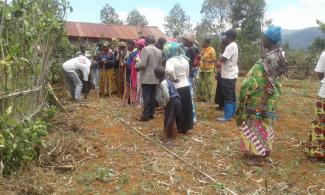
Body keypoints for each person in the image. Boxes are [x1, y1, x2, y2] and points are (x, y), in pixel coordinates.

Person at [235, 26, 286, 165]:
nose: (262, 40)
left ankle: (259, 156)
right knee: (264, 121)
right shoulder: (277, 54)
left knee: (259, 122)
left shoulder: (271, 58)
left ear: (270, 39)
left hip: (262, 98)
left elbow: (270, 82)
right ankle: (264, 150)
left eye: (264, 37)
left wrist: (263, 103)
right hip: (264, 97)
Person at [164, 41, 193, 133]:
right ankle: (186, 128)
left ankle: (178, 127)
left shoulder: (170, 60)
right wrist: (184, 79)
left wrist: (174, 79)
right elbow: (187, 73)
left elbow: (169, 71)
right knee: (186, 108)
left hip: (176, 87)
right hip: (186, 85)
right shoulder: (185, 59)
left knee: (177, 109)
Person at [137, 35, 163, 121]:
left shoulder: (145, 49)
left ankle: (145, 115)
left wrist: (137, 64)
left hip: (147, 77)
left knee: (146, 96)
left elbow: (143, 64)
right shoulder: (159, 51)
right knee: (152, 96)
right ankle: (151, 114)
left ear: (146, 42)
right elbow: (159, 65)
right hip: (156, 77)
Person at [305, 51, 325, 161]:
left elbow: (320, 73)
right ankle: (314, 152)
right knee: (318, 123)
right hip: (324, 95)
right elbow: (320, 74)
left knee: (318, 124)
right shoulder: (324, 55)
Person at [154, 66, 181, 146]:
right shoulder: (168, 80)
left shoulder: (163, 83)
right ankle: (168, 136)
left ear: (157, 75)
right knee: (170, 119)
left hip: (171, 101)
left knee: (171, 121)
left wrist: (165, 104)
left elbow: (167, 95)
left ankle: (174, 140)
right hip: (176, 100)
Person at [217, 30, 239, 121]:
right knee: (232, 94)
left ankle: (227, 116)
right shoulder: (234, 45)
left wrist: (219, 58)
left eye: (226, 36)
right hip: (231, 74)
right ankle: (233, 112)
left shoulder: (230, 46)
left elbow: (223, 59)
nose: (225, 38)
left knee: (228, 95)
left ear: (229, 36)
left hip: (228, 75)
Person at [183, 35, 200, 124]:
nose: (183, 41)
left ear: (189, 42)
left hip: (189, 74)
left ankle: (193, 117)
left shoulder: (190, 51)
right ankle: (192, 116)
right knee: (190, 93)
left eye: (184, 40)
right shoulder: (194, 49)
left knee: (189, 95)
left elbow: (188, 64)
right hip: (191, 74)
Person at [197, 38, 217, 103]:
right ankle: (201, 96)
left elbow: (214, 59)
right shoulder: (203, 49)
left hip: (208, 69)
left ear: (207, 43)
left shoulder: (211, 50)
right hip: (202, 69)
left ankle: (208, 98)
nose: (202, 44)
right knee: (201, 83)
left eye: (203, 42)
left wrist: (207, 61)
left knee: (208, 83)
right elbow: (202, 57)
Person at [214, 38, 227, 111]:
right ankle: (220, 105)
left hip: (224, 74)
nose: (221, 45)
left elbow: (221, 63)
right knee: (219, 89)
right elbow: (218, 64)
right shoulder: (221, 53)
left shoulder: (226, 53)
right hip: (220, 73)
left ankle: (224, 105)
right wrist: (217, 73)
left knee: (223, 90)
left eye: (222, 44)